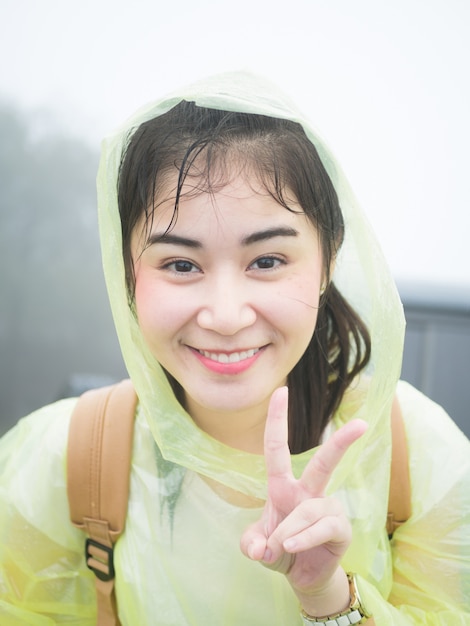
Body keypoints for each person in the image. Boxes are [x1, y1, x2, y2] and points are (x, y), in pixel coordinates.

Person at [0, 71, 469, 625]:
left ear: (328, 262)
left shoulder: (416, 454)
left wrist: (329, 598)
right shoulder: (63, 461)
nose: (225, 316)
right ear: (127, 274)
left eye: (267, 261)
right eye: (180, 264)